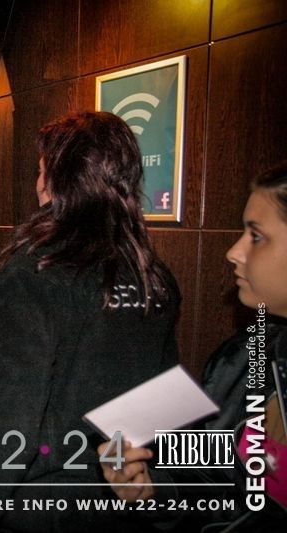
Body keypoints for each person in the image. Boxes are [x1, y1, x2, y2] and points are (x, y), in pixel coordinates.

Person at [0, 111, 182, 532]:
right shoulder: (154, 277)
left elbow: (10, 426)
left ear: (60, 180)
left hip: (43, 506)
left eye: (42, 171)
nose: (37, 184)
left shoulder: (33, 274)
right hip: (121, 500)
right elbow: (161, 404)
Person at [100, 160, 287, 531]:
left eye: (256, 236)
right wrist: (152, 490)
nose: (234, 252)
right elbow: (211, 482)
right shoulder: (242, 360)